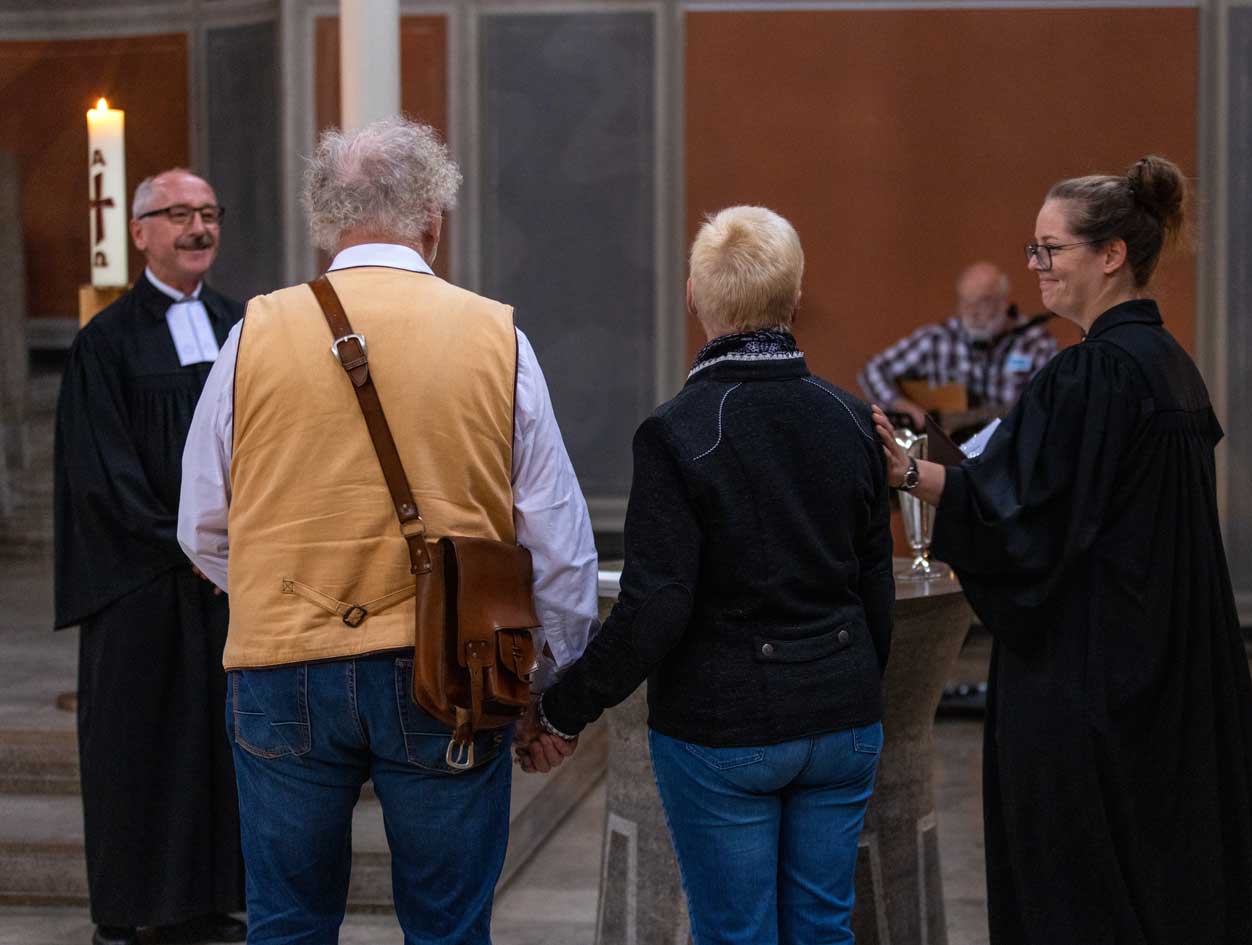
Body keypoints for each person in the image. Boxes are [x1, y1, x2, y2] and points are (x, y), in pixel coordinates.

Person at [177, 116, 598, 944]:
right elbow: (558, 541)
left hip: (281, 667)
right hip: (451, 667)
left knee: (288, 923)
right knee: (447, 926)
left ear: (325, 222)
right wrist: (555, 686)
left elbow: (199, 524)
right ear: (433, 221)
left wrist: (284, 589)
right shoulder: (495, 335)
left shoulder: (250, 335)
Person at [872, 155, 1252, 945]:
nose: (1038, 267)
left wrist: (905, 473)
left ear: (1111, 255)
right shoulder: (1170, 366)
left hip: (1092, 684)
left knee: (1086, 888)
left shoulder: (1088, 375)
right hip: (1172, 670)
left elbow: (1018, 516)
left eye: (1049, 249)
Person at [529, 206, 894, 945]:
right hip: (842, 716)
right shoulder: (854, 419)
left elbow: (655, 608)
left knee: (736, 932)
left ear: (694, 301)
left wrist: (563, 708)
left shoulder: (678, 432)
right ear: (795, 299)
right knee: (824, 928)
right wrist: (851, 683)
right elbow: (874, 581)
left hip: (727, 727)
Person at [54, 169, 246, 945]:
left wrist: (232, 545)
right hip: (142, 585)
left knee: (219, 751)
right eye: (178, 216)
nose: (198, 228)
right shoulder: (105, 341)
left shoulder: (245, 326)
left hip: (230, 582)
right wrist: (185, 544)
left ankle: (209, 901)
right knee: (139, 748)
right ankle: (130, 909)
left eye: (208, 213)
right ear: (140, 233)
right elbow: (99, 471)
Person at [859, 262, 1057, 429]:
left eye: (982, 303)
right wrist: (903, 406)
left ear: (1003, 303)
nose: (972, 313)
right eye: (965, 302)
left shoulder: (1035, 344)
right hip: (945, 459)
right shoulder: (937, 339)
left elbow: (1048, 404)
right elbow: (872, 370)